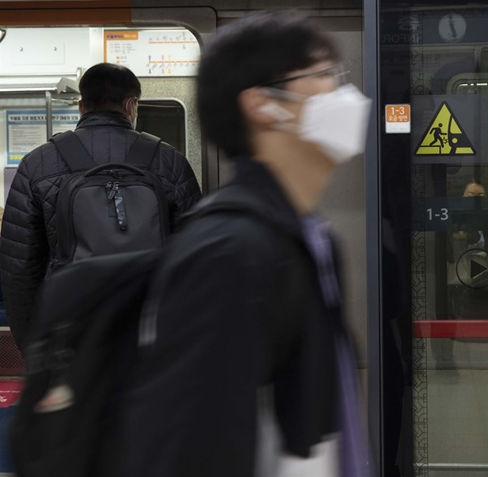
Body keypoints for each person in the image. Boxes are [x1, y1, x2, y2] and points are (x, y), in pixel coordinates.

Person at [108, 13, 373, 477]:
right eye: (325, 76)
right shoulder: (228, 253)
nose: (345, 95)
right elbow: (187, 451)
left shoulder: (310, 237)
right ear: (264, 105)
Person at [0, 63, 201, 353]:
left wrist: (35, 349)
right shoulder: (169, 162)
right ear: (132, 105)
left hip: (71, 331)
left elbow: (18, 269)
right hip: (151, 331)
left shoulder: (37, 164)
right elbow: (195, 256)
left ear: (81, 106)